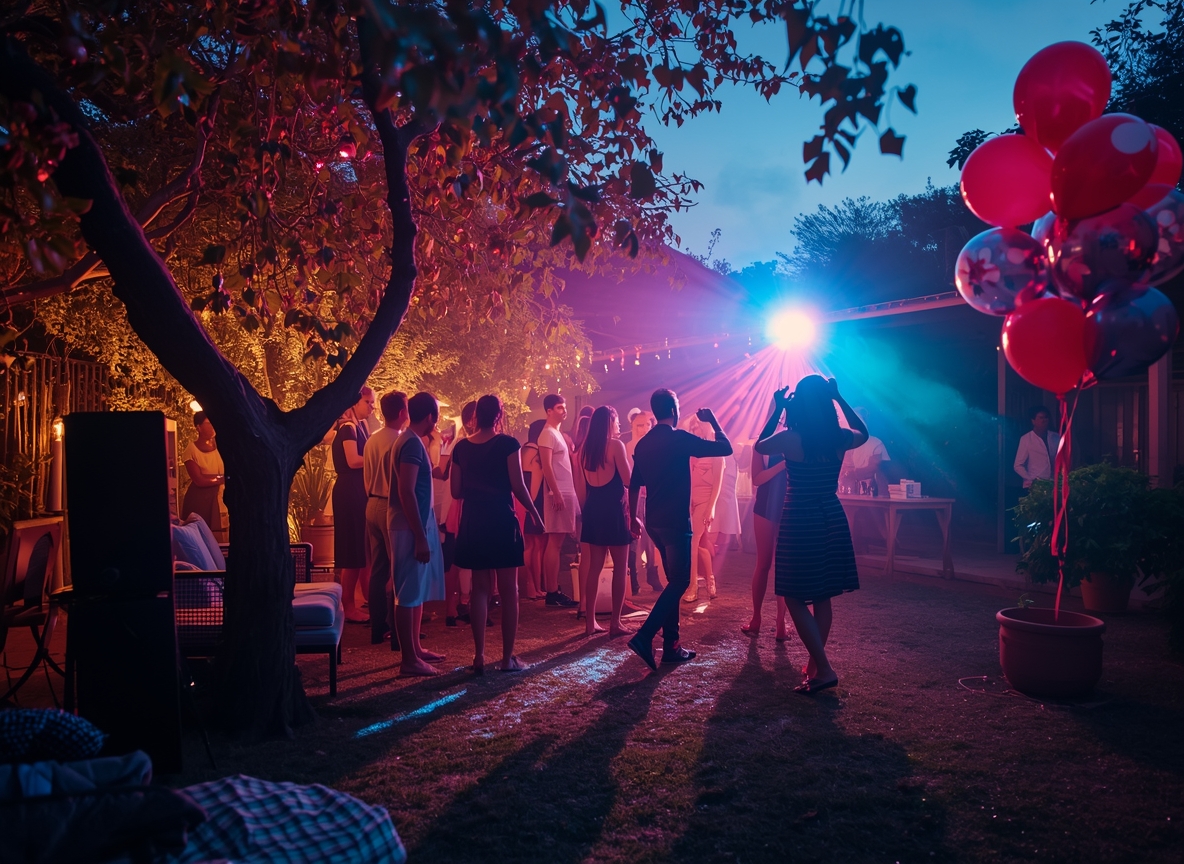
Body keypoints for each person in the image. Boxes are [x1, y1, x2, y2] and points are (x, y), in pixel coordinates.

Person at [755, 376, 866, 695]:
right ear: (827, 403)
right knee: (822, 595)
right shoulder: (839, 437)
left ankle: (824, 667)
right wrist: (840, 397)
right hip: (831, 515)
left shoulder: (791, 438)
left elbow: (760, 446)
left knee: (792, 594)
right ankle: (817, 666)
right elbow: (866, 433)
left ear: (799, 403)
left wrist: (778, 409)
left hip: (800, 517)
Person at [627, 389, 732, 670]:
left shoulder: (643, 444)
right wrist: (714, 422)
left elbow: (634, 483)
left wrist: (631, 518)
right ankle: (645, 635)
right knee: (681, 581)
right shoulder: (678, 439)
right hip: (675, 521)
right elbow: (725, 448)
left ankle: (672, 645)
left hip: (654, 521)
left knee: (674, 580)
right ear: (674, 410)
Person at [451, 395, 542, 673]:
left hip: (474, 520)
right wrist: (535, 513)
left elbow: (455, 491)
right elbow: (518, 485)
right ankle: (507, 659)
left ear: (476, 415)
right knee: (509, 590)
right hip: (501, 519)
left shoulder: (461, 448)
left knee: (479, 589)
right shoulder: (508, 444)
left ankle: (478, 657)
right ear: (499, 415)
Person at [389, 392, 447, 677]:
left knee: (416, 591)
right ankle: (408, 659)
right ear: (429, 417)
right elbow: (406, 491)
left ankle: (415, 649)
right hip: (408, 527)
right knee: (407, 592)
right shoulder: (411, 444)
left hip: (415, 525)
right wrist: (420, 536)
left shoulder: (413, 441)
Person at [574, 406, 634, 637]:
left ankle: (590, 622)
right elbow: (628, 479)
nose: (619, 425)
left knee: (594, 569)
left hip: (593, 509)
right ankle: (615, 623)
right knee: (620, 567)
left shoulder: (584, 450)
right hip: (614, 510)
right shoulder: (615, 446)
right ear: (610, 421)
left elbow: (581, 489)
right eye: (617, 420)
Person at [363, 390, 408, 647]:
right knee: (398, 570)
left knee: (378, 570)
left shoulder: (372, 440)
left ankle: (377, 628)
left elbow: (365, 478)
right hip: (390, 506)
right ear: (402, 413)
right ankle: (397, 633)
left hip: (371, 503)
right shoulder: (400, 441)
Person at [743, 408, 790, 640]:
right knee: (763, 564)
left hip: (789, 507)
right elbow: (757, 479)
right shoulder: (760, 445)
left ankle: (781, 622)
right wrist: (783, 465)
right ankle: (756, 617)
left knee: (784, 566)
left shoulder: (797, 441)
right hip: (765, 506)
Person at [332, 387, 375, 623]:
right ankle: (348, 605)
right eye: (368, 402)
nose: (372, 407)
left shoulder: (359, 426)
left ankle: (359, 601)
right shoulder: (348, 428)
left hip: (355, 491)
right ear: (355, 403)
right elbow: (353, 460)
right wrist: (378, 455)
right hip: (349, 492)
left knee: (359, 550)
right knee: (352, 551)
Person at [538, 394, 580, 608]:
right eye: (559, 407)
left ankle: (553, 589)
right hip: (558, 494)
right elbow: (546, 466)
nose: (564, 411)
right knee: (554, 542)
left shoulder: (556, 434)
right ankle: (552, 591)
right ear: (548, 411)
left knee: (558, 542)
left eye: (564, 407)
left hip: (564, 492)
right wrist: (556, 493)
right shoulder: (547, 434)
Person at [686, 416, 725, 603]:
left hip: (705, 503)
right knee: (700, 545)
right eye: (692, 429)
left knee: (692, 542)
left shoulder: (716, 452)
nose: (694, 431)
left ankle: (693, 586)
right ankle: (710, 581)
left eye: (697, 427)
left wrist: (710, 508)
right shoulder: (691, 453)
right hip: (691, 503)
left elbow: (717, 484)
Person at [625, 410, 662, 595]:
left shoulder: (653, 446)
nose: (644, 428)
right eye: (640, 425)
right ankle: (632, 578)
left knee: (652, 537)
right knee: (634, 537)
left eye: (648, 424)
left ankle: (652, 575)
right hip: (635, 496)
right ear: (632, 426)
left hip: (651, 495)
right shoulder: (628, 447)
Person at [181, 411, 227, 541]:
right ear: (198, 427)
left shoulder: (222, 446)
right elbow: (199, 480)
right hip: (202, 499)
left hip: (222, 496)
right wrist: (223, 478)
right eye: (208, 423)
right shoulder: (191, 450)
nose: (212, 426)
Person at [518, 419, 547, 601]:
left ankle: (534, 586)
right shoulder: (534, 453)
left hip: (525, 503)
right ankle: (532, 586)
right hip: (532, 504)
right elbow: (533, 484)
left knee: (532, 545)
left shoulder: (523, 451)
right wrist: (532, 507)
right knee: (534, 546)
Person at [839, 407, 890, 496]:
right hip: (846, 494)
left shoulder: (875, 443)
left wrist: (851, 474)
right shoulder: (844, 443)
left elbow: (873, 469)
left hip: (872, 495)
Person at [1014, 405, 1058, 489]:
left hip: (1053, 483)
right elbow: (1018, 465)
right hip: (1035, 484)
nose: (1044, 420)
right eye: (1041, 418)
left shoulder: (1055, 437)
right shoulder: (1026, 439)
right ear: (1033, 421)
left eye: (1046, 417)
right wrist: (1030, 479)